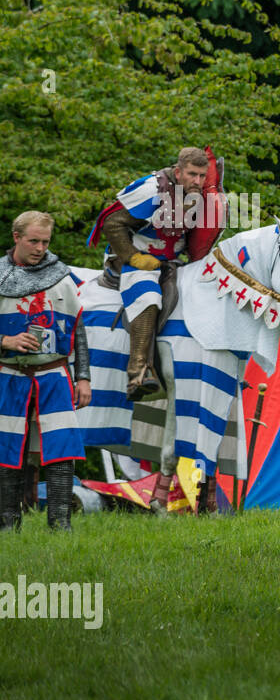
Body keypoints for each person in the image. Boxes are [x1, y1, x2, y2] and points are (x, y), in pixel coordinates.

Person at [89, 147, 224, 400]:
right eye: (192, 174)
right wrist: (133, 257)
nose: (197, 181)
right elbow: (112, 223)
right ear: (177, 171)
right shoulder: (153, 189)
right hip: (134, 256)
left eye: (202, 175)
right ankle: (138, 372)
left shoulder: (200, 194)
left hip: (172, 261)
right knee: (149, 297)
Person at [0, 212, 91, 531]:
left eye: (45, 241)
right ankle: (8, 523)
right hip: (9, 374)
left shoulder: (62, 278)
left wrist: (83, 377)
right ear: (16, 237)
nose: (40, 248)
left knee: (62, 447)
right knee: (6, 447)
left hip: (54, 375)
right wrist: (5, 340)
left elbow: (78, 328)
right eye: (33, 241)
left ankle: (60, 524)